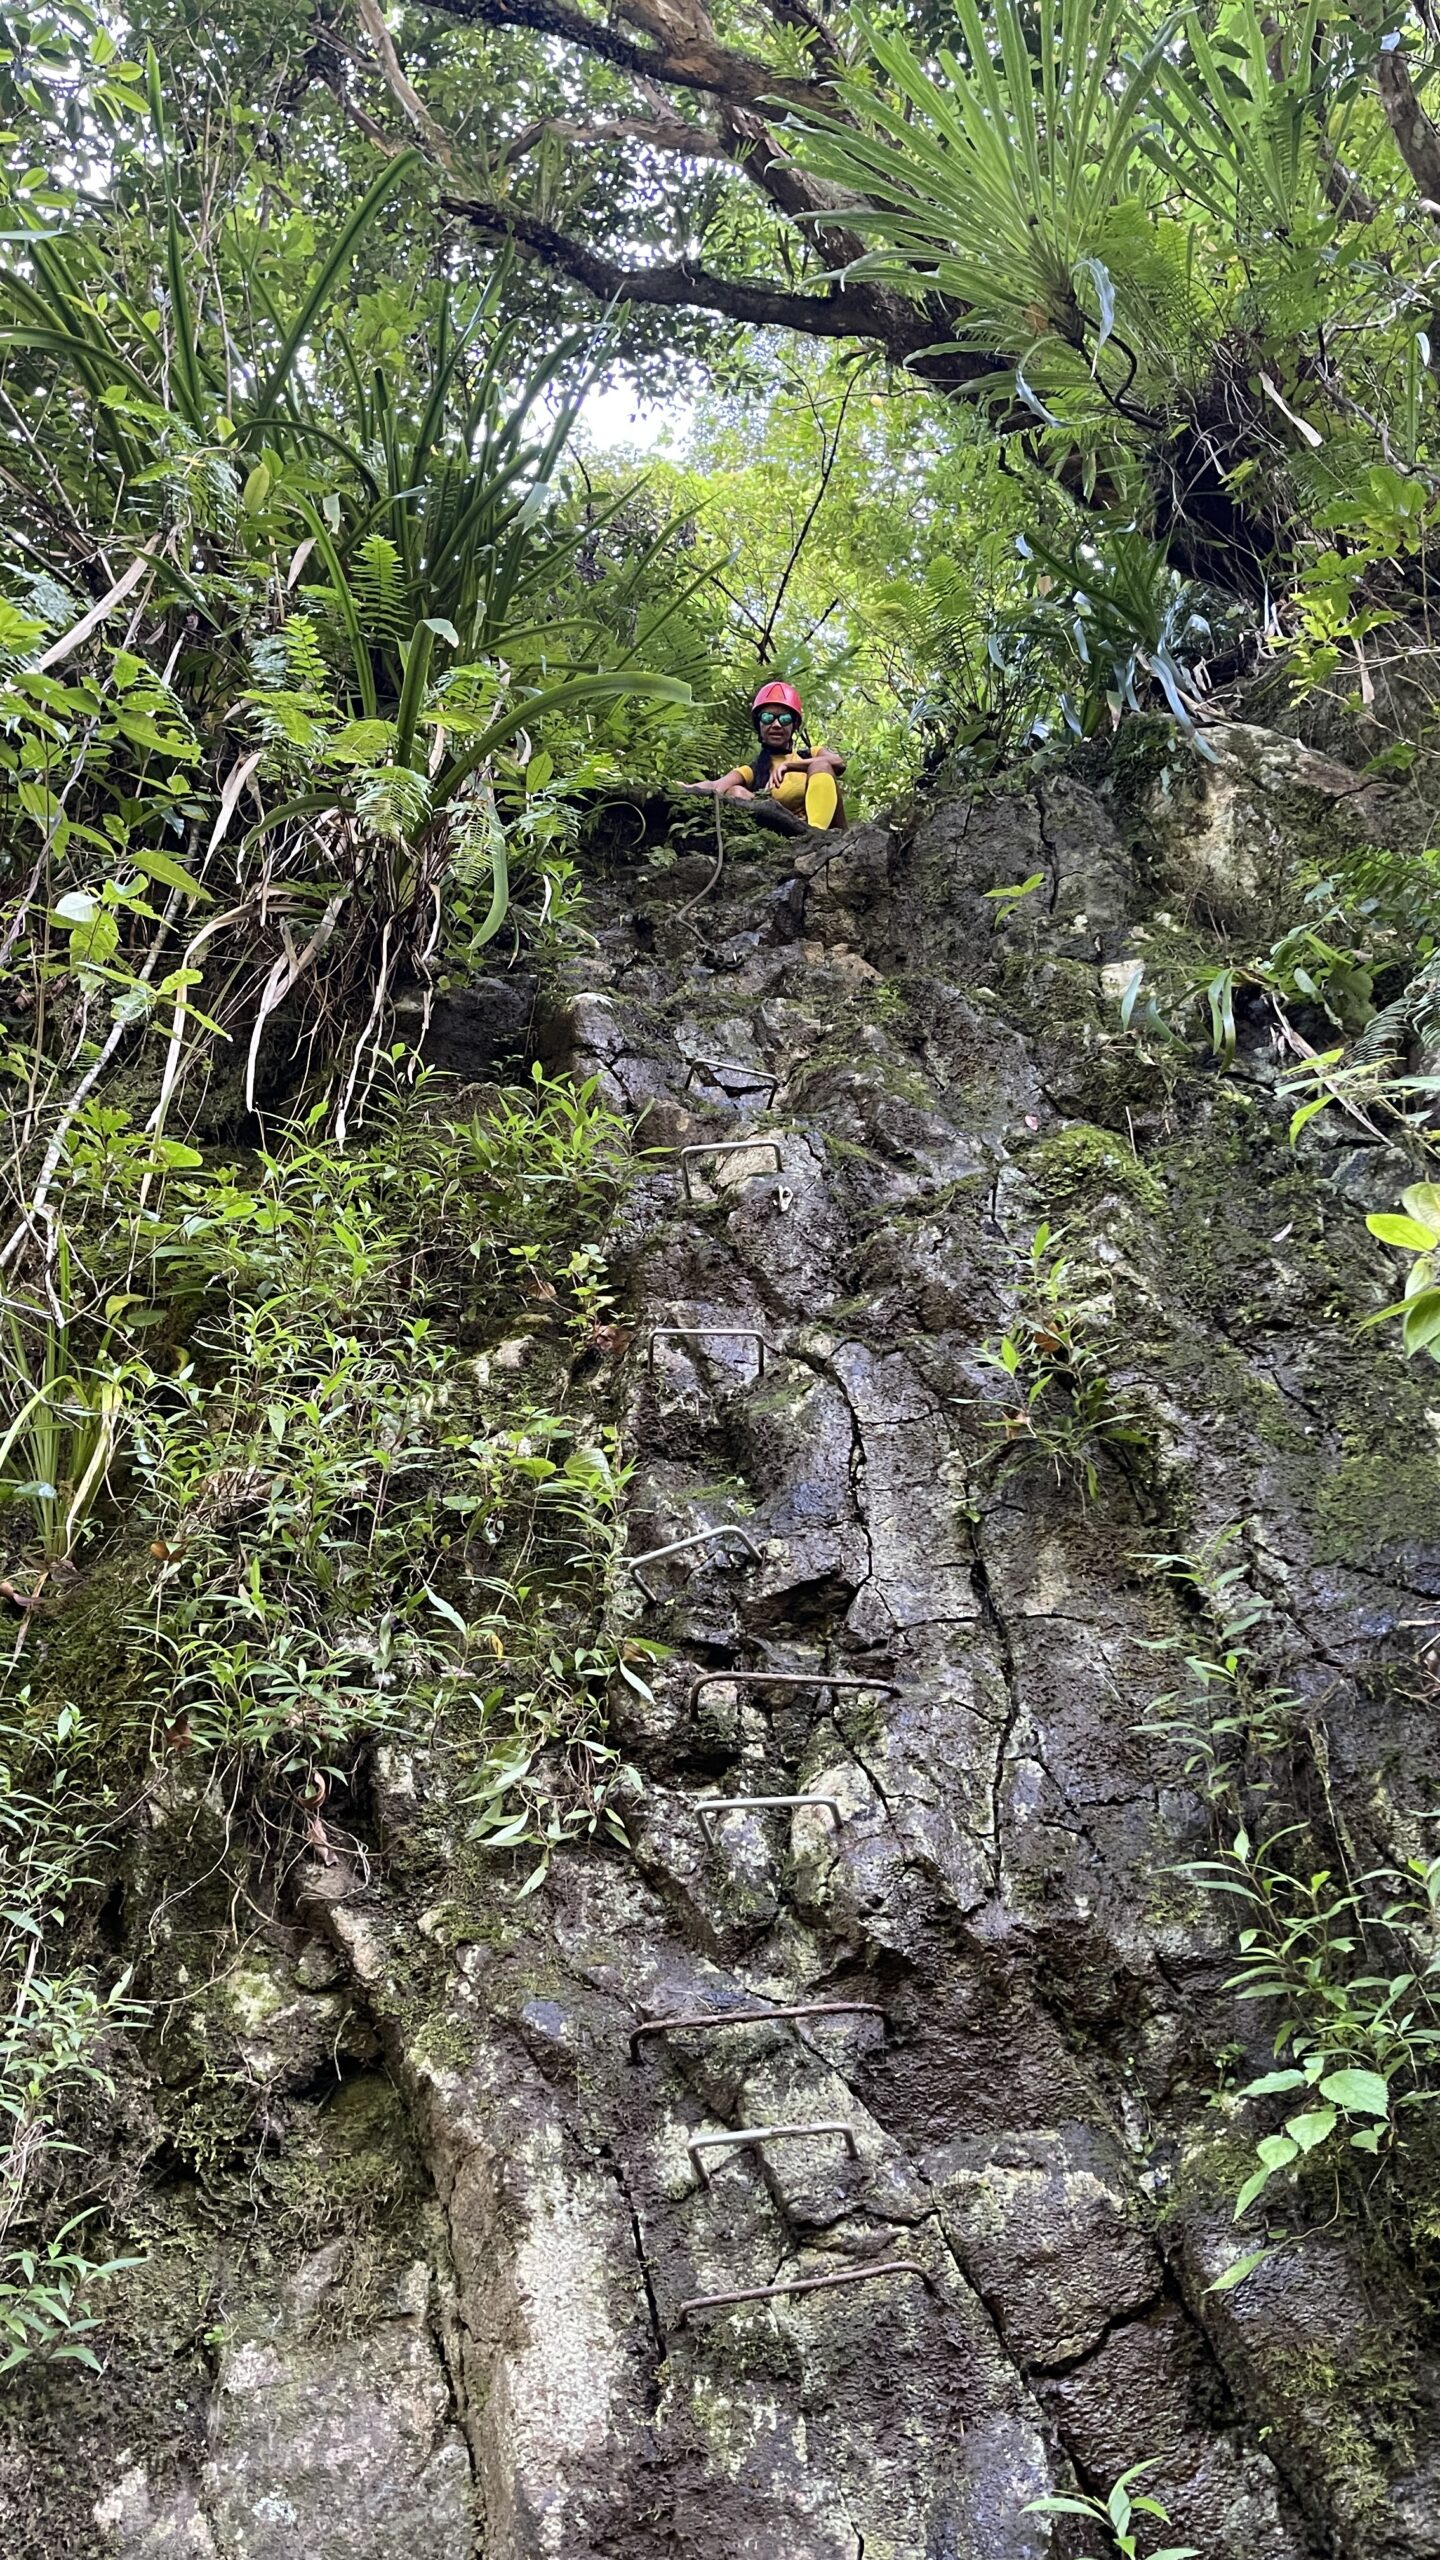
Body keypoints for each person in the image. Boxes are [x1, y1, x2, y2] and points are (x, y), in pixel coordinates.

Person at [684, 682, 847, 830]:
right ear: (759, 724)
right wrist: (677, 787)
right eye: (768, 718)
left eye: (784, 719)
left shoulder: (810, 754)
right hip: (786, 832)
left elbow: (838, 763)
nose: (776, 725)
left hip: (828, 832)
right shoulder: (753, 770)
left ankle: (816, 832)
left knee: (821, 765)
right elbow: (715, 786)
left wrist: (789, 765)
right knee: (735, 791)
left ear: (794, 725)